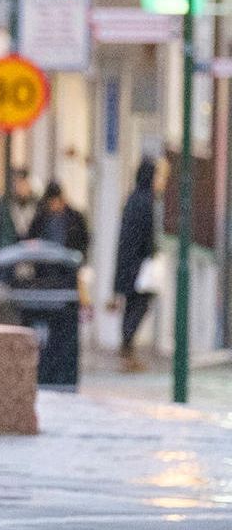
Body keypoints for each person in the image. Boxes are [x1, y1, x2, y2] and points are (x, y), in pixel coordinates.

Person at [111, 159, 158, 372]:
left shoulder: (133, 199)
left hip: (128, 263)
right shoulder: (145, 201)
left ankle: (127, 350)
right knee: (139, 305)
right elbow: (146, 237)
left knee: (133, 305)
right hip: (138, 265)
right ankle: (127, 349)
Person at [27, 181, 89, 256]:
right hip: (45, 262)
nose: (52, 205)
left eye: (54, 201)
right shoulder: (41, 218)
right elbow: (32, 237)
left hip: (67, 262)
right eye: (50, 202)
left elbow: (83, 240)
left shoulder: (75, 218)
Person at [3, 169, 37, 246]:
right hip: (13, 248)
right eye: (18, 184)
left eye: (23, 184)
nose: (21, 188)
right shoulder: (7, 206)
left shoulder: (38, 206)